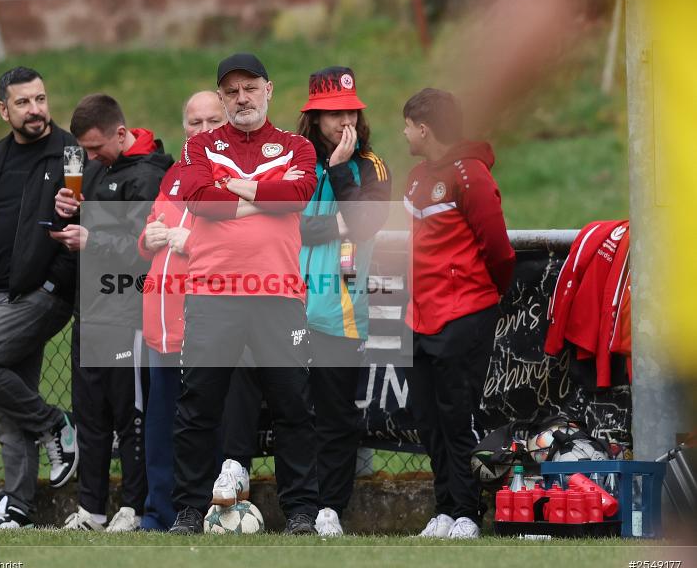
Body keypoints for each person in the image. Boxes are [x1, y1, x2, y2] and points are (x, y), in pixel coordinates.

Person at [167, 53, 320, 535]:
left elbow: (299, 196)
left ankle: (300, 512)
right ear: (221, 98)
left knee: (292, 402)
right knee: (198, 404)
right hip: (214, 292)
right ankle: (190, 509)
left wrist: (232, 185)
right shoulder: (200, 147)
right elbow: (198, 200)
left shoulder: (297, 146)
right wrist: (261, 195)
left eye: (250, 87)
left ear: (268, 90)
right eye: (230, 91)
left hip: (279, 293)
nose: (241, 98)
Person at [0, 66, 78, 529]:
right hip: (4, 297)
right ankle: (17, 506)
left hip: (46, 295)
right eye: (24, 102)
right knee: (8, 406)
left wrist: (54, 284)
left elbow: (82, 222)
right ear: (3, 109)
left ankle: (54, 423)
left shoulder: (69, 152)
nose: (36, 110)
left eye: (41, 99)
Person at [53, 93, 173, 531]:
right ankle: (92, 509)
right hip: (91, 311)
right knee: (90, 415)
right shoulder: (97, 170)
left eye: (95, 147)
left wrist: (92, 240)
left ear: (121, 134)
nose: (89, 157)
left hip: (129, 314)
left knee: (132, 417)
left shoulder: (148, 176)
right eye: (84, 150)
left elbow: (145, 250)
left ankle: (136, 507)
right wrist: (69, 211)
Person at [401, 88, 516, 539]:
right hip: (419, 317)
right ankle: (445, 509)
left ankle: (469, 512)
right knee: (428, 419)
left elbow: (499, 251)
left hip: (463, 315)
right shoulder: (413, 178)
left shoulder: (471, 175)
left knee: (458, 417)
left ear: (424, 128)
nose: (404, 133)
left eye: (407, 125)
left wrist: (480, 296)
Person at [296, 66, 391, 536]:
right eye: (333, 113)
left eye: (350, 110)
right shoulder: (293, 161)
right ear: (313, 117)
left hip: (341, 311)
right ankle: (298, 507)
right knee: (291, 413)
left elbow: (366, 224)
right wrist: (328, 227)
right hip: (285, 307)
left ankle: (330, 508)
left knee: (335, 416)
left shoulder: (370, 165)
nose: (344, 120)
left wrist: (337, 169)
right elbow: (281, 225)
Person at [136, 90, 226, 531]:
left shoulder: (236, 175)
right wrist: (147, 238)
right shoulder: (173, 175)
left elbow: (245, 245)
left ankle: (209, 511)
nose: (204, 130)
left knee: (205, 422)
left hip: (208, 321)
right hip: (161, 321)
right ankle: (158, 511)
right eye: (195, 123)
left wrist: (186, 243)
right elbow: (153, 233)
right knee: (160, 422)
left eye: (213, 121)